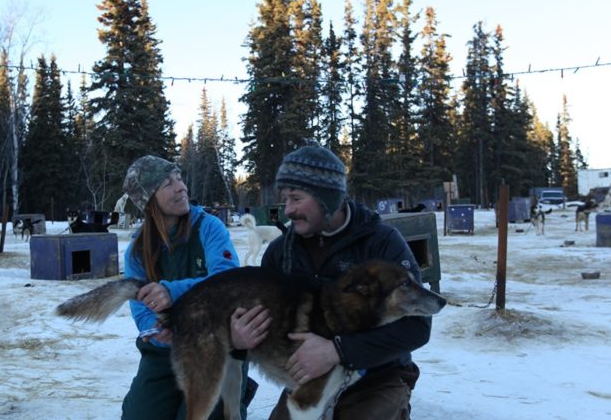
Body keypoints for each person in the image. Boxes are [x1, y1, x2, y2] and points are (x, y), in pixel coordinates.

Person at [230, 142, 432, 420]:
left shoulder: (380, 243)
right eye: (285, 198)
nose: (287, 210)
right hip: (309, 379)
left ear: (328, 199)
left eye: (296, 198)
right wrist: (239, 338)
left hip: (376, 375)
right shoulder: (281, 252)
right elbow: (262, 320)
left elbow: (417, 327)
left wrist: (338, 350)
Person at [120, 155, 252, 420]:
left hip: (217, 346)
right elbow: (139, 303)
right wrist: (155, 329)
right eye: (168, 183)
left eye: (179, 178)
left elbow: (229, 281)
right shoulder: (138, 249)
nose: (181, 187)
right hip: (164, 355)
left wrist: (172, 291)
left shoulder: (209, 227)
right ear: (149, 200)